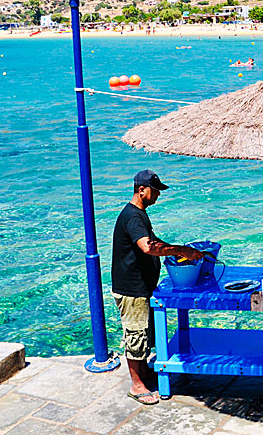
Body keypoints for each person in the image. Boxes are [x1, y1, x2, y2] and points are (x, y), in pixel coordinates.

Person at [111, 170, 204, 405]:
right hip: (132, 288)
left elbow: (155, 241)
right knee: (135, 334)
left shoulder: (139, 215)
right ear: (141, 190)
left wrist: (179, 248)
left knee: (143, 333)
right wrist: (181, 251)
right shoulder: (132, 217)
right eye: (155, 191)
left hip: (141, 286)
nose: (158, 195)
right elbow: (148, 247)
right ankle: (137, 385)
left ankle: (143, 373)